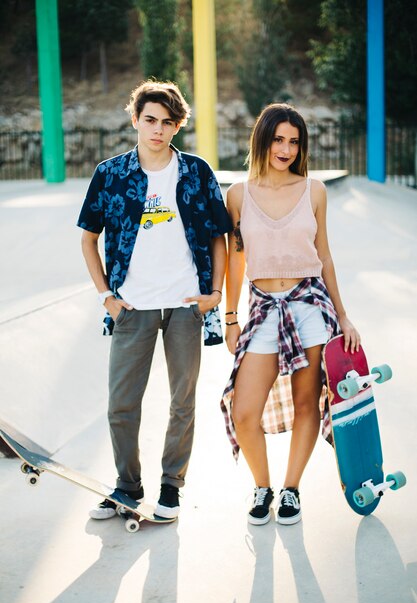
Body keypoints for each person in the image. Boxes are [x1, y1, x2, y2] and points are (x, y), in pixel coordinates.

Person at [78, 79, 232, 520]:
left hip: (186, 306)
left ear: (177, 126)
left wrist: (214, 294)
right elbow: (88, 240)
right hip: (132, 306)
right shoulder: (110, 175)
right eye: (150, 120)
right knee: (121, 403)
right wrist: (107, 295)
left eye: (168, 122)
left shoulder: (196, 172)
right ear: (135, 120)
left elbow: (219, 235)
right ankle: (127, 485)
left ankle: (171, 488)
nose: (158, 129)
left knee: (182, 401)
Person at [221, 103, 360, 526]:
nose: (285, 149)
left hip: (310, 306)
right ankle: (261, 486)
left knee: (307, 405)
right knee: (244, 411)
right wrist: (230, 318)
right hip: (264, 310)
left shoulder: (314, 190)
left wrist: (345, 317)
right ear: (262, 139)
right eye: (278, 139)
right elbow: (235, 260)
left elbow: (325, 257)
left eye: (294, 141)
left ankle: (290, 491)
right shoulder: (238, 195)